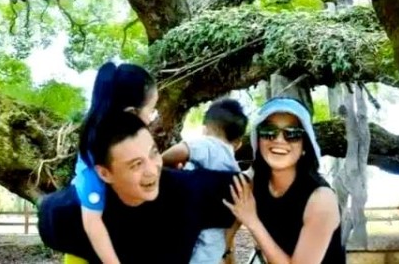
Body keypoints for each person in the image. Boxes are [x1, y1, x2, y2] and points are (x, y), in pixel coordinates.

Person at [38, 112, 240, 264]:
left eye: (153, 153)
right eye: (136, 164)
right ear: (104, 173)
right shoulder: (65, 214)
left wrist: (230, 244)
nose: (152, 170)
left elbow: (249, 191)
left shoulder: (188, 192)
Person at [223, 97, 346, 264]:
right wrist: (225, 253)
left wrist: (252, 221)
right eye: (269, 131)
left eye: (292, 133)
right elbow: (221, 240)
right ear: (258, 141)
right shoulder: (253, 184)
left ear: (304, 146)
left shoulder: (321, 199)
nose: (279, 140)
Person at [67, 61, 159, 264]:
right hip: (87, 251)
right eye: (151, 111)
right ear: (132, 113)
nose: (152, 119)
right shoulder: (97, 153)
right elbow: (92, 222)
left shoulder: (124, 143)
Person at [162, 98, 249, 264]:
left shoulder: (208, 145)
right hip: (213, 247)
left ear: (205, 129)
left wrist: (159, 163)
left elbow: (181, 150)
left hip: (191, 238)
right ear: (238, 143)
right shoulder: (236, 171)